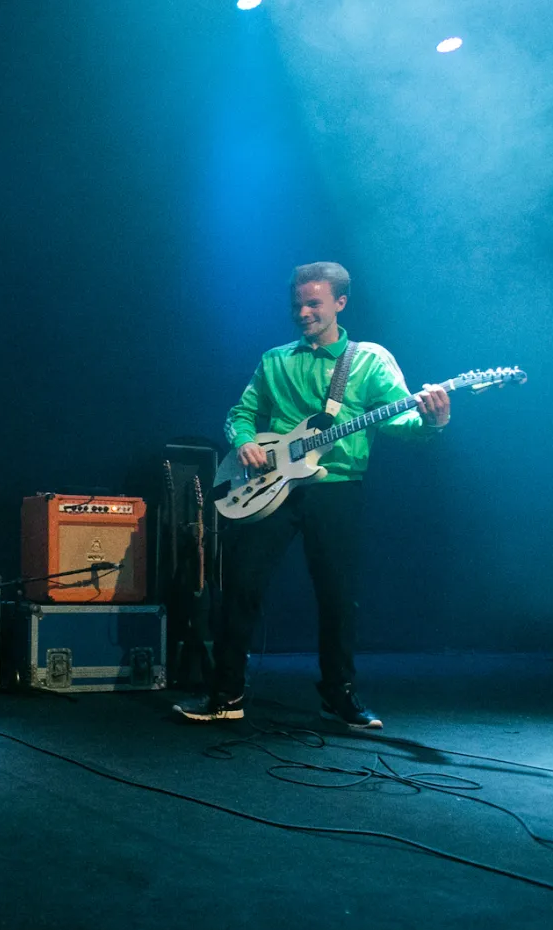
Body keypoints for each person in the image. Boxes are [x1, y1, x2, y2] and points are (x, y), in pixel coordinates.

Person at [176, 262, 449, 730]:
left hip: (337, 489)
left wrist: (434, 420)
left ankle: (339, 694)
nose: (303, 312)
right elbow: (242, 412)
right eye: (298, 304)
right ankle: (225, 692)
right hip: (270, 489)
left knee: (338, 597)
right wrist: (243, 441)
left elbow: (396, 421)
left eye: (314, 303)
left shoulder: (368, 360)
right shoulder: (275, 360)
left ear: (340, 303)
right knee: (241, 586)